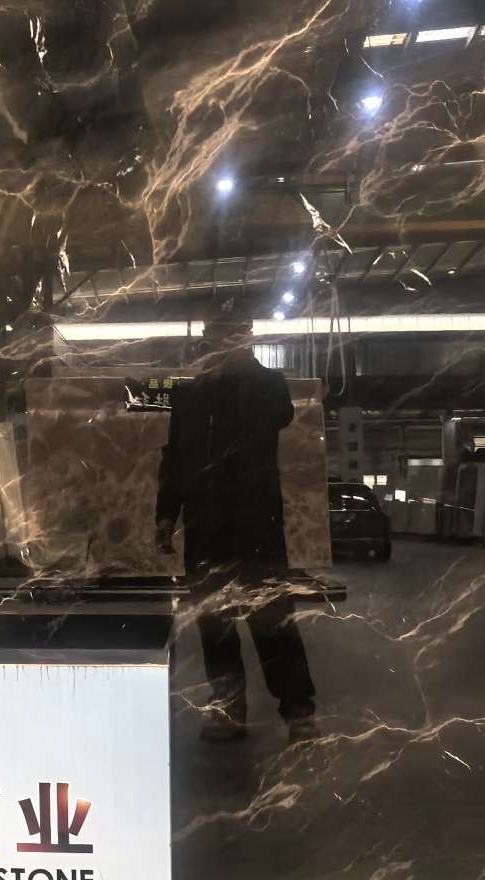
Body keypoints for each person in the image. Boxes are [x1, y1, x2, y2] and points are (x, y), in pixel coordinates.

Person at [156, 313, 320, 744]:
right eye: (215, 337)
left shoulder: (267, 386)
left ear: (246, 341)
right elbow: (175, 458)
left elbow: (281, 415)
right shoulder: (189, 395)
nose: (221, 345)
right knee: (216, 627)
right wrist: (166, 515)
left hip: (256, 529)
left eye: (231, 338)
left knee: (272, 621)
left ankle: (299, 710)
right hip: (205, 529)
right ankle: (229, 710)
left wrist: (240, 371)